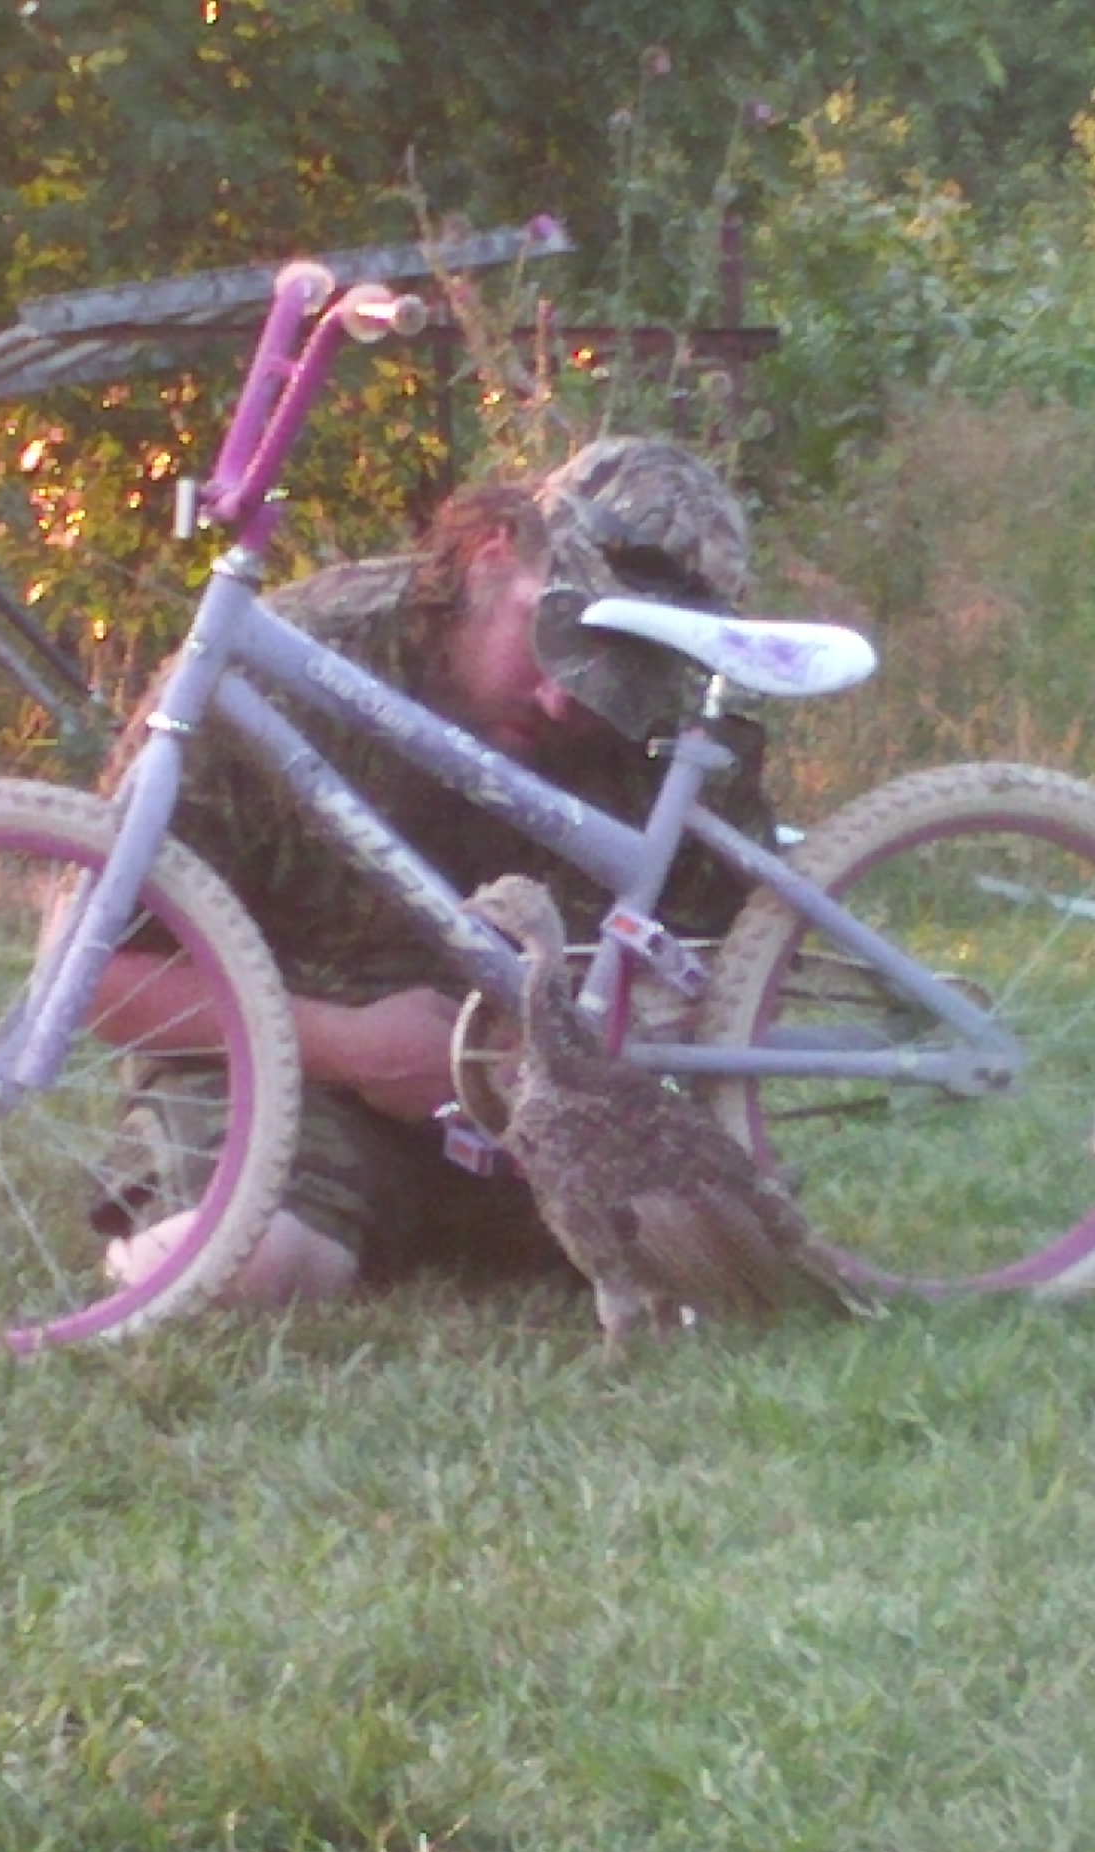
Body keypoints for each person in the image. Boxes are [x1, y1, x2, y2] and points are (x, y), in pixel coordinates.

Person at [87, 435, 778, 1305]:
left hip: (562, 1128)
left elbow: (741, 968)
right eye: (559, 638)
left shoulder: (672, 734)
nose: (571, 697)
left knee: (722, 1272)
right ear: (495, 554)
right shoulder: (287, 659)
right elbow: (101, 973)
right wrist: (349, 1046)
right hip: (302, 1087)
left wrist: (632, 1031)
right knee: (240, 1268)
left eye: (628, 668)